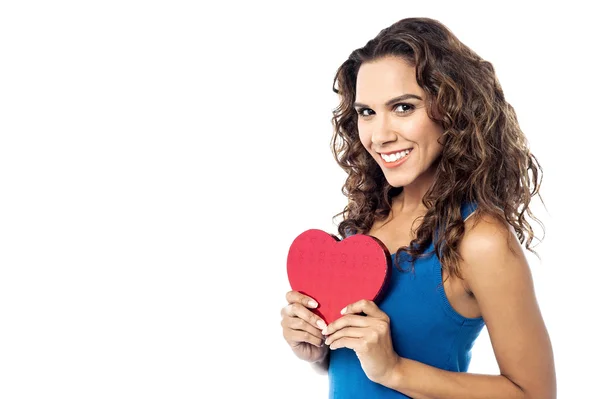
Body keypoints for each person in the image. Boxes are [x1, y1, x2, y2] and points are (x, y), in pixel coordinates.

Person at [280, 17, 556, 398]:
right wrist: (315, 349)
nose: (380, 135)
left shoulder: (481, 239)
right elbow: (356, 368)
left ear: (454, 109)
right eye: (366, 112)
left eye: (404, 107)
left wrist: (395, 370)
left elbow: (534, 393)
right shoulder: (368, 220)